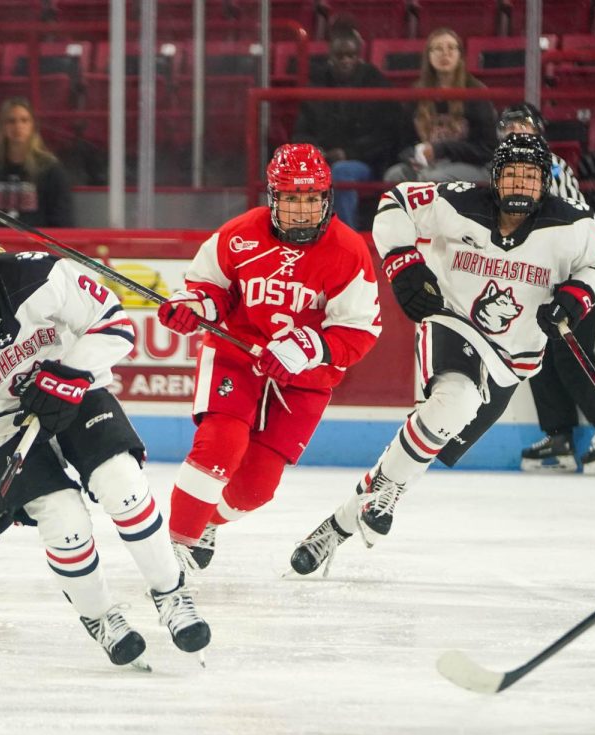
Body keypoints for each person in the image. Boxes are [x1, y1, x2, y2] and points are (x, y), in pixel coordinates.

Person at [290, 134, 595, 576]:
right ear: (495, 177)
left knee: (425, 447)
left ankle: (338, 525)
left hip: (511, 361)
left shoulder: (572, 224)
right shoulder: (459, 201)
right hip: (451, 322)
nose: (521, 185)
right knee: (456, 400)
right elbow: (396, 203)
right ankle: (382, 492)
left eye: (531, 176)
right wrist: (403, 264)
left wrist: (576, 296)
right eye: (512, 174)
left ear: (545, 182)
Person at [0, 203, 209, 668]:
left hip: (74, 389)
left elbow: (114, 324)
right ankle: (101, 615)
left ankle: (171, 593)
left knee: (122, 485)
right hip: (4, 426)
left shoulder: (41, 276)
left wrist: (68, 374)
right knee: (64, 521)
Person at [155, 143, 380, 572]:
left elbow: (359, 330)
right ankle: (170, 556)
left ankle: (205, 524)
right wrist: (194, 307)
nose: (302, 210)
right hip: (237, 355)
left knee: (255, 488)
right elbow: (210, 288)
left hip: (305, 378)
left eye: (311, 198)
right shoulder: (238, 234)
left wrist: (306, 348)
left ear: (326, 198)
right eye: (292, 198)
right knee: (220, 444)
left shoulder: (348, 251)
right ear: (273, 197)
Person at [497, 103, 595, 474]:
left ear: (539, 133)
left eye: (523, 127)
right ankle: (558, 437)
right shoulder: (504, 171)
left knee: (571, 356)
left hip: (580, 273)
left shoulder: (551, 165)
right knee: (538, 355)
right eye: (508, 128)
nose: (516, 133)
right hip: (545, 278)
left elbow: (558, 219)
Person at [292, 26, 403, 230]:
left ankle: (346, 238)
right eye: (340, 56)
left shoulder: (375, 82)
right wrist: (315, 151)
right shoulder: (316, 84)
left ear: (359, 57)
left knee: (342, 172)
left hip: (367, 162)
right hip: (321, 160)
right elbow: (301, 131)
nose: (345, 61)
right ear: (330, 56)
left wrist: (347, 153)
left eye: (350, 56)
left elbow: (386, 136)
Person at [383, 28, 497, 185]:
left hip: (471, 165)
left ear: (460, 55)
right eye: (438, 48)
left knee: (433, 178)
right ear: (428, 56)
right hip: (427, 165)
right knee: (394, 175)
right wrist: (412, 154)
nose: (445, 54)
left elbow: (486, 149)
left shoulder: (475, 91)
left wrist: (440, 149)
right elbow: (403, 143)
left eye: (451, 48)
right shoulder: (416, 92)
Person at [0, 97, 74, 227]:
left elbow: (63, 221)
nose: (18, 126)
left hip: (38, 245)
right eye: (11, 121)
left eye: (24, 120)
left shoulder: (51, 171)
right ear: (2, 127)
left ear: (33, 126)